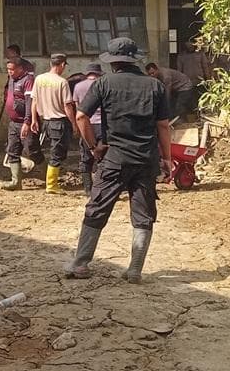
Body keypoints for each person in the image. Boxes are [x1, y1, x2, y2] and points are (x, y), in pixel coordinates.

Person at [66, 37, 173, 284]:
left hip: (113, 158)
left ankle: (80, 264)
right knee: (143, 213)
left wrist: (94, 147)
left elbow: (81, 117)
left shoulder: (103, 84)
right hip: (146, 159)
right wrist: (166, 159)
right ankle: (135, 269)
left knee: (97, 208)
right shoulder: (155, 86)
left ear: (113, 62)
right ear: (134, 59)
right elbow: (163, 126)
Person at [31, 53, 77, 194]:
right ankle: (51, 185)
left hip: (46, 122)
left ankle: (52, 182)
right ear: (62, 64)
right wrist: (74, 123)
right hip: (59, 122)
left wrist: (34, 119)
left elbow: (34, 101)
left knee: (54, 151)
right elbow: (67, 106)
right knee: (57, 153)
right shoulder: (62, 82)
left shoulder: (39, 79)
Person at [0, 57, 40, 191]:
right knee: (12, 151)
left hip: (25, 123)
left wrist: (27, 122)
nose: (9, 72)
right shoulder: (12, 80)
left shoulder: (28, 81)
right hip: (13, 123)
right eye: (8, 69)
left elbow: (30, 102)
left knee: (32, 151)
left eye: (12, 69)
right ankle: (16, 181)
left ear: (20, 68)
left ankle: (49, 176)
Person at [71, 64, 104, 197]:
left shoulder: (78, 86)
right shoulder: (102, 84)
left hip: (85, 124)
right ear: (99, 74)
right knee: (103, 158)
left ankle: (88, 189)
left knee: (86, 157)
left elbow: (78, 108)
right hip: (102, 125)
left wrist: (78, 126)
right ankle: (101, 187)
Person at [177, 40, 212, 108]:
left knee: (201, 98)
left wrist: (208, 80)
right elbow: (179, 71)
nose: (189, 45)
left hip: (199, 81)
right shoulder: (181, 56)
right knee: (189, 100)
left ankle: (201, 112)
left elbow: (205, 67)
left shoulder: (200, 54)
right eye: (187, 44)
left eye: (191, 44)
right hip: (187, 82)